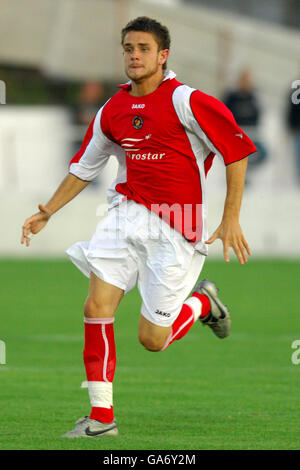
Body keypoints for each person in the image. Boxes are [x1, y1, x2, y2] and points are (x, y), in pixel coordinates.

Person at [21, 17, 256, 438]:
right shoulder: (113, 108)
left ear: (163, 56)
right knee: (96, 309)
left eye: (144, 48)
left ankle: (203, 304)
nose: (134, 55)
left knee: (153, 339)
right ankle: (101, 419)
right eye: (128, 47)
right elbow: (84, 167)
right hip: (124, 217)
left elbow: (235, 151)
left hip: (176, 228)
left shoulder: (189, 101)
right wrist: (49, 211)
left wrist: (230, 217)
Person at [223, 69, 266, 184]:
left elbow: (259, 114)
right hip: (236, 134)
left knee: (264, 153)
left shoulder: (255, 97)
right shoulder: (231, 97)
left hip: (252, 133)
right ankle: (239, 176)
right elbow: (224, 114)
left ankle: (246, 173)